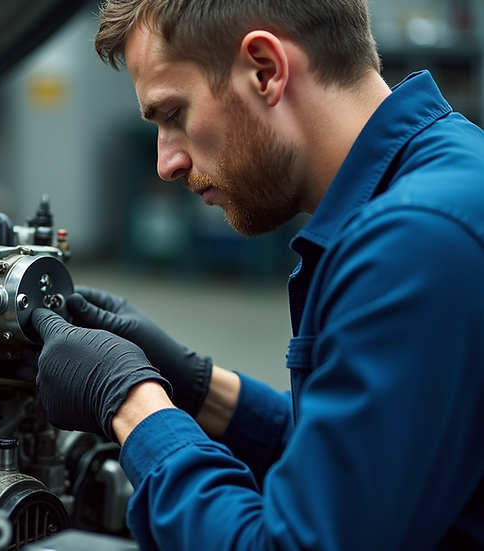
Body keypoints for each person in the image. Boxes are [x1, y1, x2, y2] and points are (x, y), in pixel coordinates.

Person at [30, 0, 484, 549]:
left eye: (174, 115)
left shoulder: (413, 245)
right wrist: (200, 389)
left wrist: (132, 404)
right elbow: (355, 471)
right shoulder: (445, 177)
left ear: (265, 70)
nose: (166, 163)